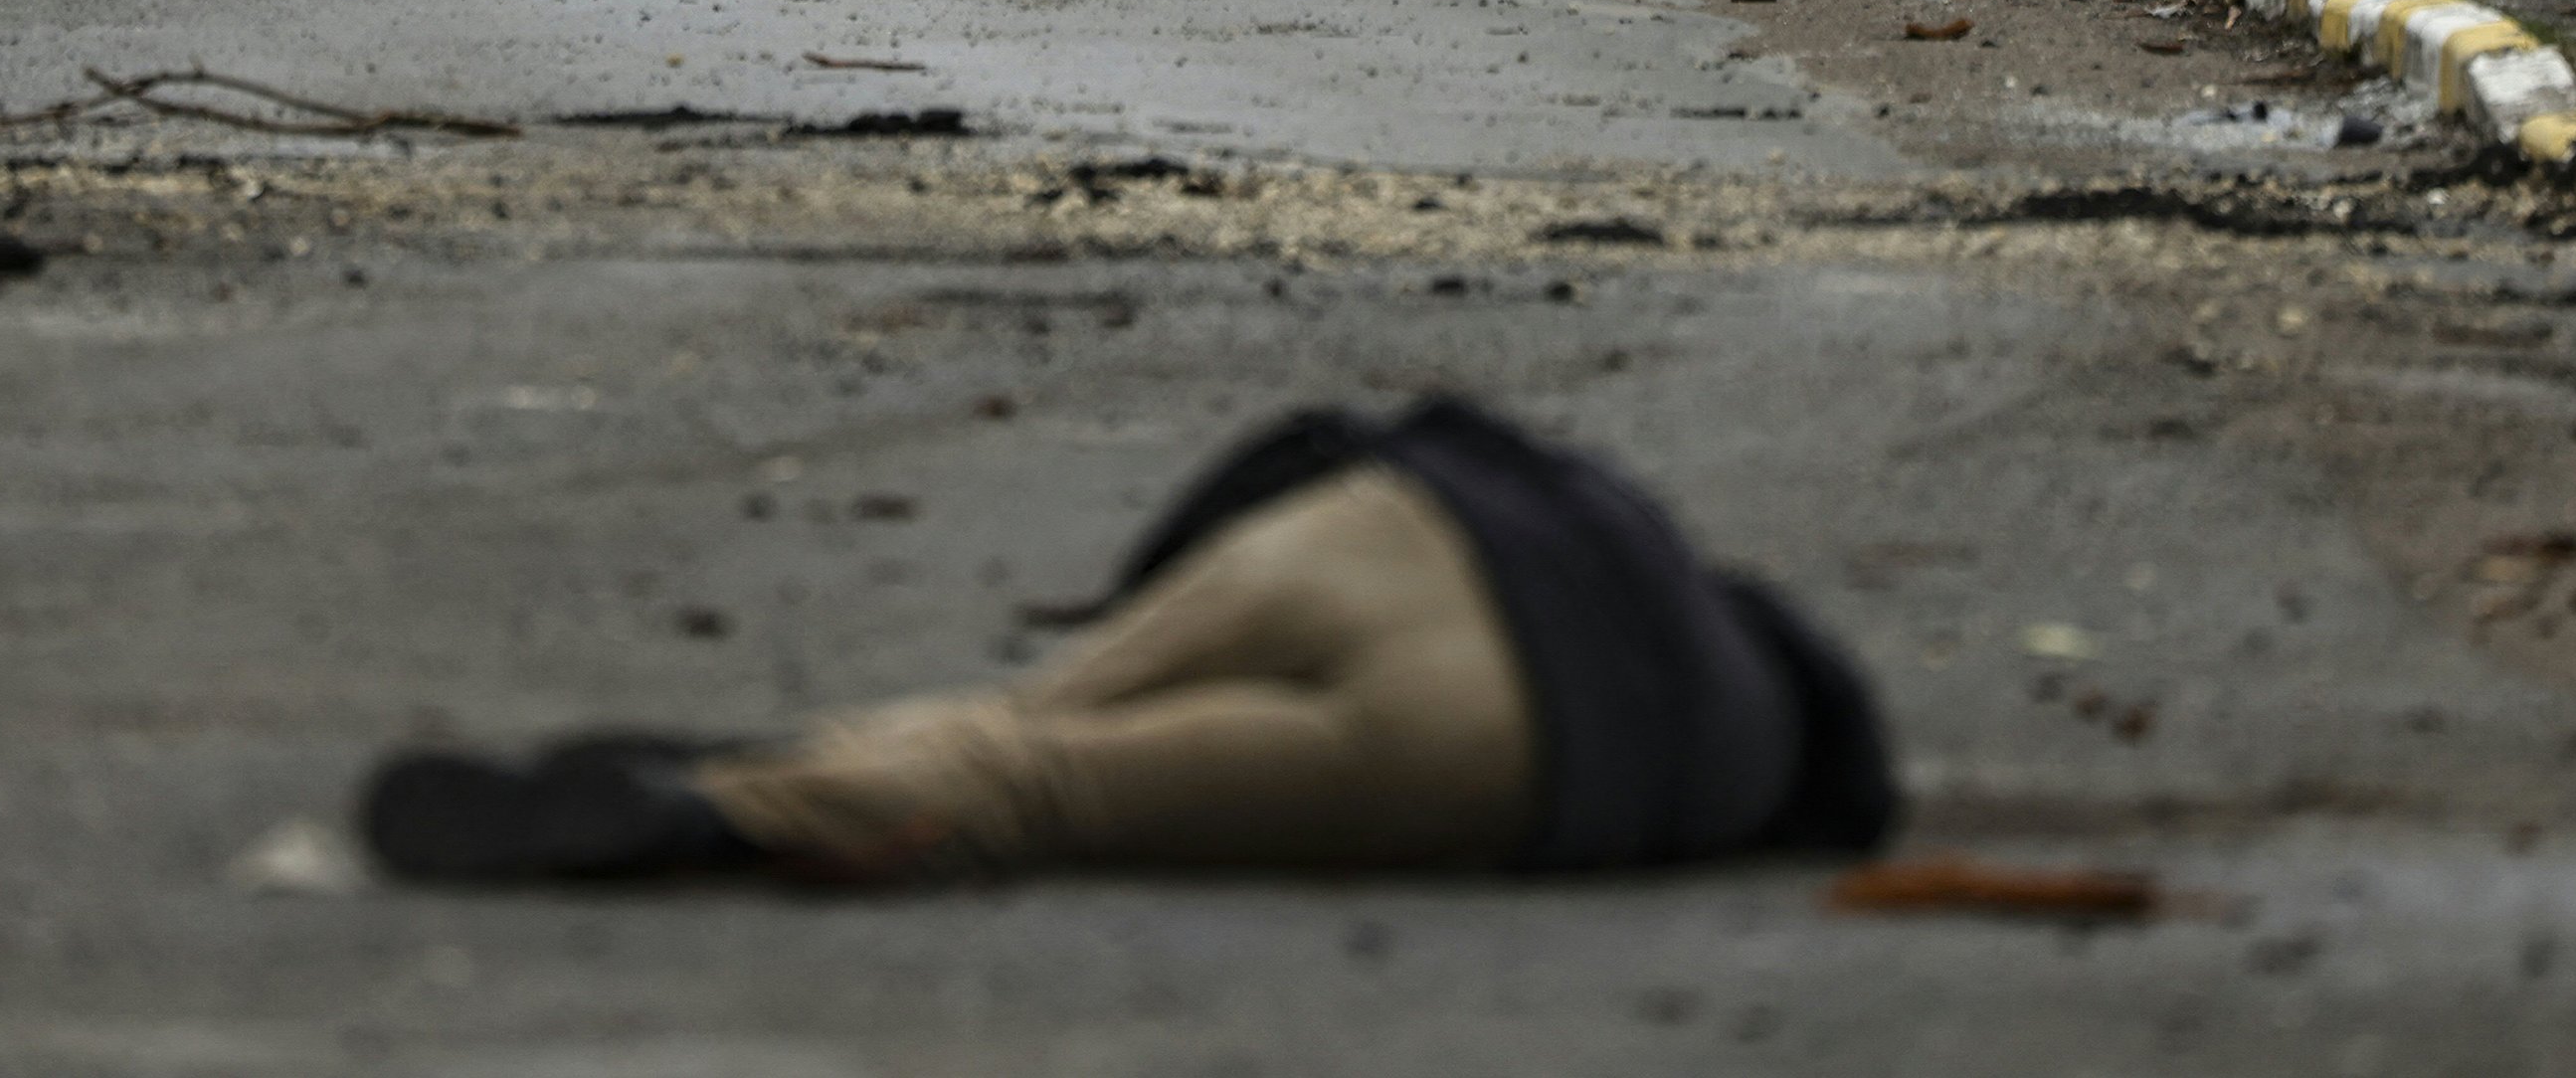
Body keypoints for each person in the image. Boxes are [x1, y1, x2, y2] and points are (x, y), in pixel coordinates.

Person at [361, 394, 1892, 885]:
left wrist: (1141, 601)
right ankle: (734, 808)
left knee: (1040, 709)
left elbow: (1321, 437)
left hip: (1388, 526)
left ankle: (873, 743)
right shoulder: (1738, 762)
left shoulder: (1637, 527)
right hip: (1501, 729)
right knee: (1055, 787)